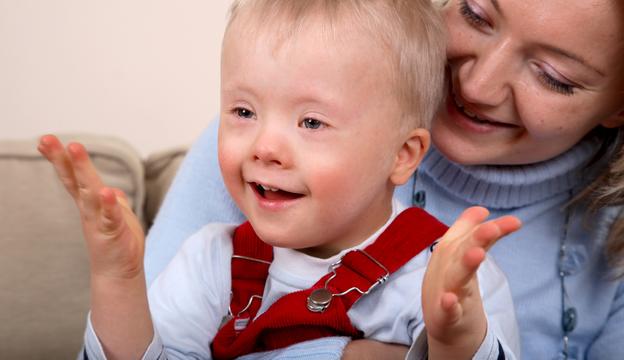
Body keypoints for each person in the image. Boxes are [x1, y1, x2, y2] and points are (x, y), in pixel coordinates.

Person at [38, 0, 521, 359]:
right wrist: (118, 278)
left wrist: (453, 336)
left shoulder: (442, 278)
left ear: (402, 154)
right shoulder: (214, 263)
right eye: (244, 111)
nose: (264, 147)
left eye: (311, 123)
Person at [143, 0, 624, 359]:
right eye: (476, 15)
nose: (476, 86)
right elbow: (153, 343)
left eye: (553, 76)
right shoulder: (263, 147)